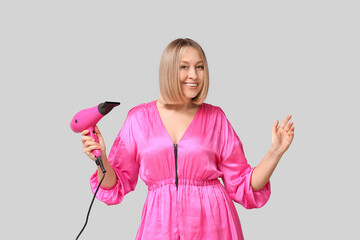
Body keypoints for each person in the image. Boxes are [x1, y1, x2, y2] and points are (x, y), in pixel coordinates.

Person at [81, 38, 295, 240]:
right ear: (168, 70)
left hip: (214, 223)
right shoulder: (138, 118)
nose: (194, 75)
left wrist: (274, 153)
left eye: (199, 67)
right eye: (184, 67)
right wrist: (101, 160)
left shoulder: (215, 118)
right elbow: (114, 185)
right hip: (159, 225)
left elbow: (244, 185)